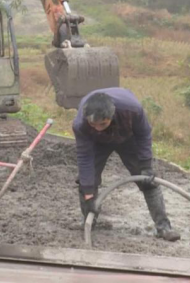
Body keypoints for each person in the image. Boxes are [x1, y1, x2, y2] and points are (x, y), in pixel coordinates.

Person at [73, 88, 180, 242]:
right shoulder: (81, 124)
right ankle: (88, 222)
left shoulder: (132, 109)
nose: (97, 128)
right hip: (96, 143)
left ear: (111, 115)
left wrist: (145, 165)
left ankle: (164, 227)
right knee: (86, 183)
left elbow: (144, 135)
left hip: (128, 138)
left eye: (102, 124)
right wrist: (88, 193)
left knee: (148, 181)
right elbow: (85, 156)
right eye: (93, 124)